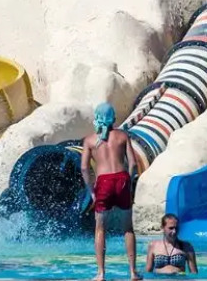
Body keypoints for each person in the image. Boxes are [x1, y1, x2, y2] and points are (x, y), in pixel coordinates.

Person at [80, 103, 141, 281]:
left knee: (100, 229)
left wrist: (91, 190)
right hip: (122, 179)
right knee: (128, 228)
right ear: (113, 118)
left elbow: (84, 168)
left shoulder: (90, 140)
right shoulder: (123, 136)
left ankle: (101, 273)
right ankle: (133, 272)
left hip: (104, 182)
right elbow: (133, 163)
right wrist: (129, 183)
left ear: (96, 118)